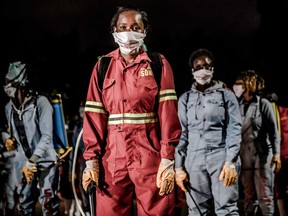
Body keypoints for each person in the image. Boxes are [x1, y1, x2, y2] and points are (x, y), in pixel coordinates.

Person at [81, 6, 182, 216]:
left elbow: (168, 114)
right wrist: (92, 161)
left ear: (145, 31)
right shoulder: (102, 67)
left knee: (158, 212)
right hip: (112, 159)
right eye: (123, 27)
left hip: (150, 154)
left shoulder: (158, 64)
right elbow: (93, 117)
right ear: (114, 31)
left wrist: (167, 159)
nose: (129, 32)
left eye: (136, 27)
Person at [175, 48, 242, 215]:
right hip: (193, 160)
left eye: (206, 66)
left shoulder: (226, 96)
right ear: (192, 70)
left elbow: (234, 128)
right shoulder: (185, 99)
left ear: (213, 68)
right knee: (196, 211)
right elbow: (182, 134)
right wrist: (178, 167)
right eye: (198, 67)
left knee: (226, 209)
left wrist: (231, 162)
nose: (202, 70)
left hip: (221, 158)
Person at [2, 60, 60, 215]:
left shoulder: (41, 103)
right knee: (24, 204)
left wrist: (32, 161)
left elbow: (47, 137)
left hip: (46, 162)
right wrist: (10, 140)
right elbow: (14, 134)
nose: (6, 87)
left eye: (10, 83)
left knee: (48, 203)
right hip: (23, 162)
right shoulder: (9, 108)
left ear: (21, 83)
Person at [232, 70, 281, 215]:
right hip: (245, 156)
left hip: (262, 155)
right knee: (248, 197)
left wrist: (277, 154)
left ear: (248, 84)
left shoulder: (263, 103)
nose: (237, 87)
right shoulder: (237, 105)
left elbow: (274, 131)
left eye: (240, 83)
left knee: (265, 196)